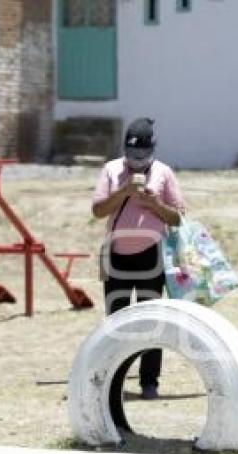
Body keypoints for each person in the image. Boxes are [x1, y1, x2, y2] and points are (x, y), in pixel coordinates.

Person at [91, 117, 184, 401]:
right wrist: (124, 192)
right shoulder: (111, 170)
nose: (137, 162)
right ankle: (114, 380)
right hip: (117, 255)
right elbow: (97, 210)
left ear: (152, 150)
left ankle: (149, 381)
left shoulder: (164, 173)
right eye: (132, 156)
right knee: (116, 321)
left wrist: (154, 203)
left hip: (151, 255)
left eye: (143, 157)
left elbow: (178, 217)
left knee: (151, 319)